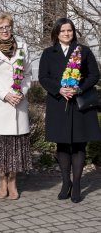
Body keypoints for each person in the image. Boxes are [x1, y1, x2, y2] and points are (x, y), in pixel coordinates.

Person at [39, 17, 101, 203]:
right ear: (56, 34)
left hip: (80, 104)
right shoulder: (48, 53)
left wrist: (79, 88)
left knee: (79, 144)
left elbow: (94, 75)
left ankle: (78, 184)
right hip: (59, 104)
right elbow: (43, 77)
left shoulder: (84, 51)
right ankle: (66, 182)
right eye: (63, 31)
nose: (67, 34)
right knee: (63, 144)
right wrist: (59, 89)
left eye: (70, 30)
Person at [0, 13, 32, 200]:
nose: (4, 31)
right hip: (0, 103)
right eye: (0, 28)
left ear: (11, 28)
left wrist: (21, 92)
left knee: (15, 145)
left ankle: (13, 181)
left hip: (18, 103)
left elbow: (27, 74)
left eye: (7, 27)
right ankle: (2, 180)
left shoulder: (23, 47)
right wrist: (5, 94)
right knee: (0, 146)